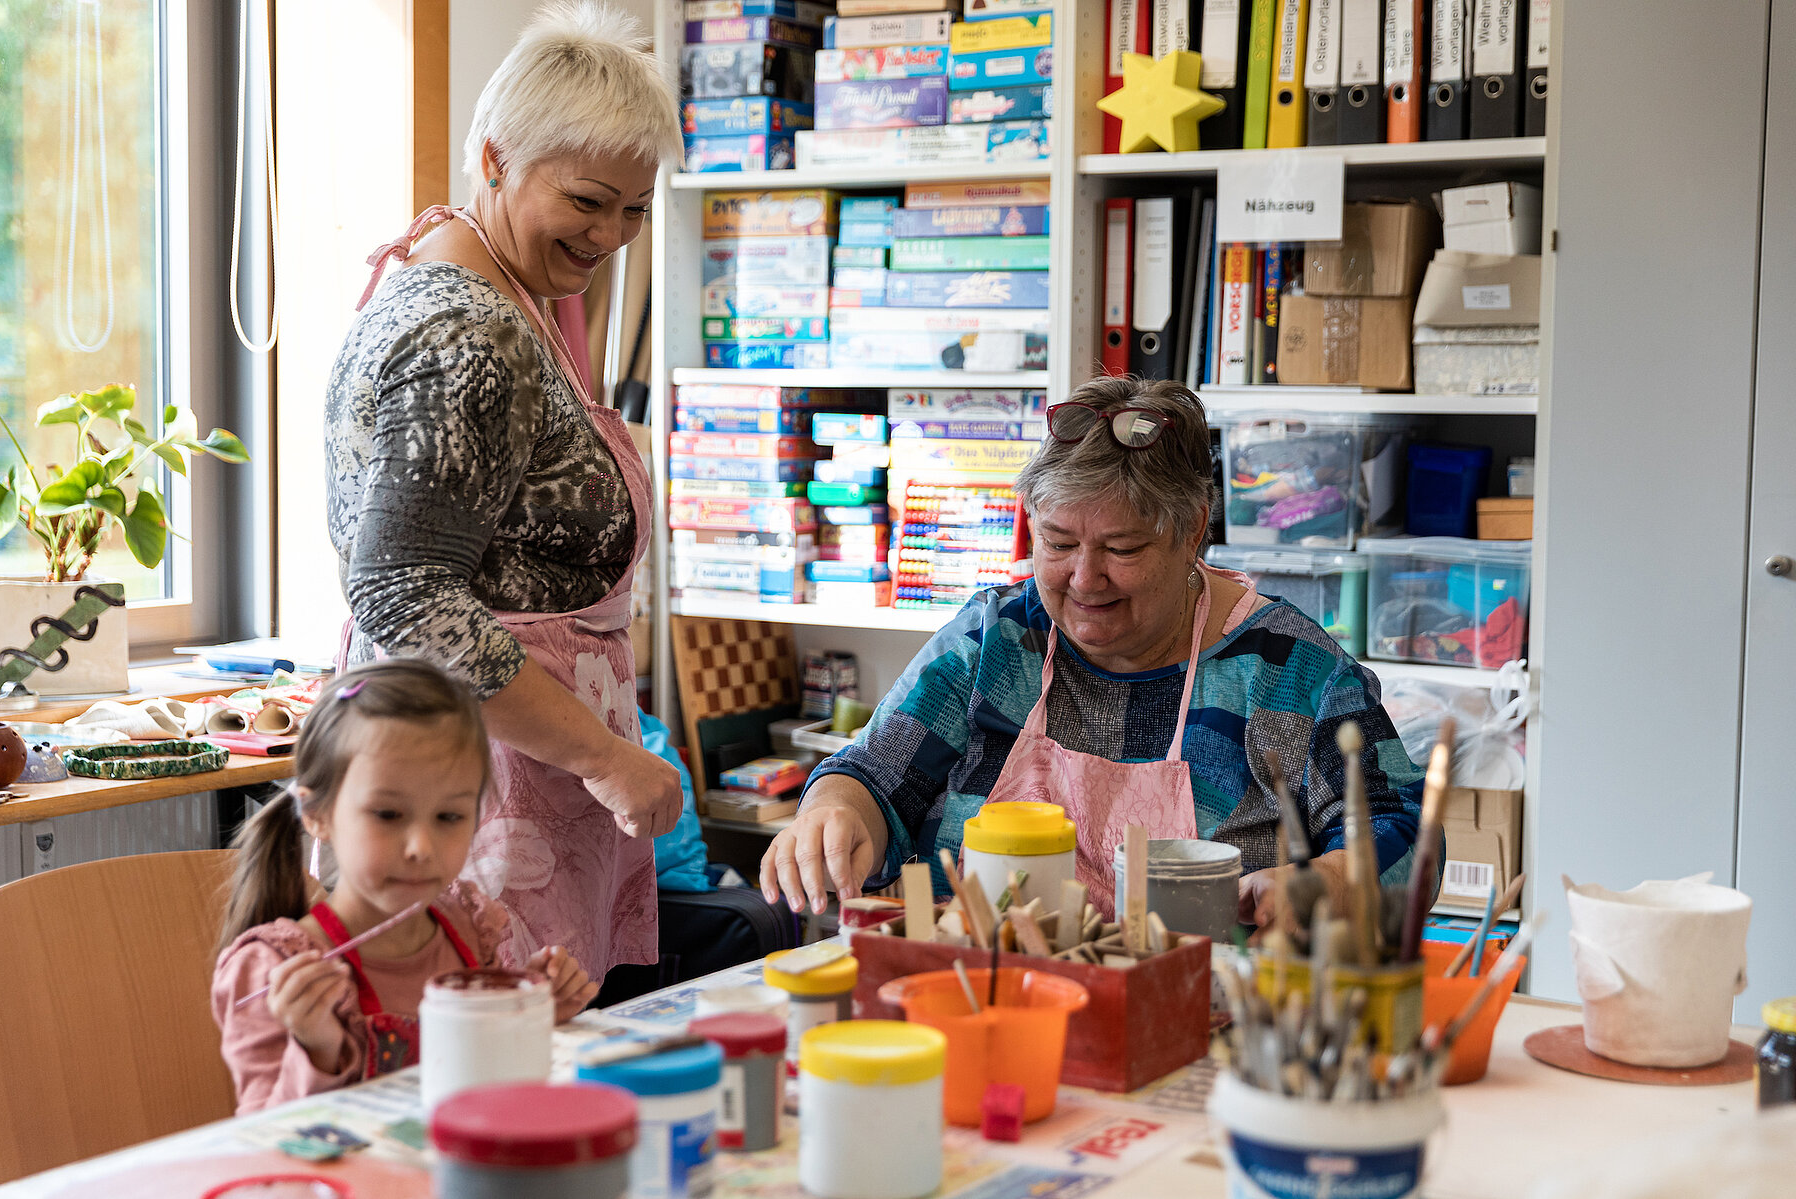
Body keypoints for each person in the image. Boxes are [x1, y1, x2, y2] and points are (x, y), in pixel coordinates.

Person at [761, 377, 1426, 927]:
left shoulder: (1287, 669)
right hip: (979, 1007)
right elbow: (875, 776)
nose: (1084, 578)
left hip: (1207, 1029)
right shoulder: (995, 638)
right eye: (1057, 542)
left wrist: (1333, 881)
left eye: (1122, 549)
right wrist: (835, 814)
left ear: (1192, 529)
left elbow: (1405, 835)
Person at [324, 1, 684, 979]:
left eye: (634, 209)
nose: (610, 233)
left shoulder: (486, 275)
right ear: (493, 159)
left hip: (512, 769)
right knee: (490, 1071)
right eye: (586, 199)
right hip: (475, 786)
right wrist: (609, 757)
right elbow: (406, 597)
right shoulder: (467, 338)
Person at [211, 660, 600, 1115]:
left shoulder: (469, 929)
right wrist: (318, 1048)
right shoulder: (273, 968)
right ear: (317, 813)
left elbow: (480, 1077)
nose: (420, 846)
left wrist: (534, 1010)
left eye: (449, 817)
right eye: (388, 815)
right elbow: (265, 1140)